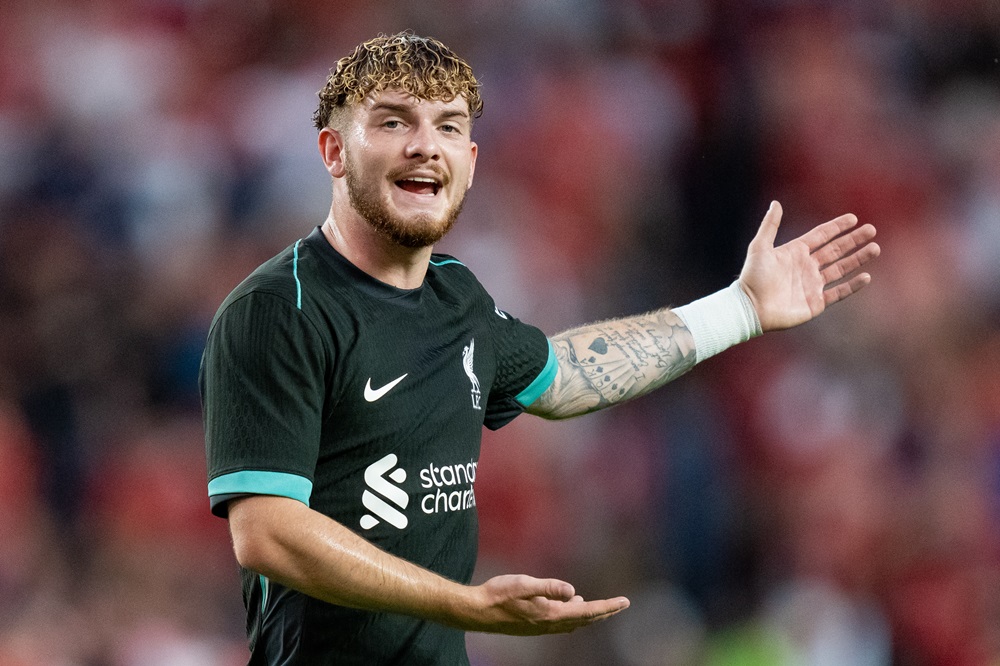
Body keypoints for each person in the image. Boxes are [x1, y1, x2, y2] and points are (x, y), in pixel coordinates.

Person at [200, 31, 880, 666]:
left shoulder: (455, 297)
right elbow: (268, 532)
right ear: (333, 151)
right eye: (392, 122)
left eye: (448, 126)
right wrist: (464, 605)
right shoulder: (277, 312)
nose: (424, 145)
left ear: (468, 162)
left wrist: (739, 310)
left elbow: (562, 378)